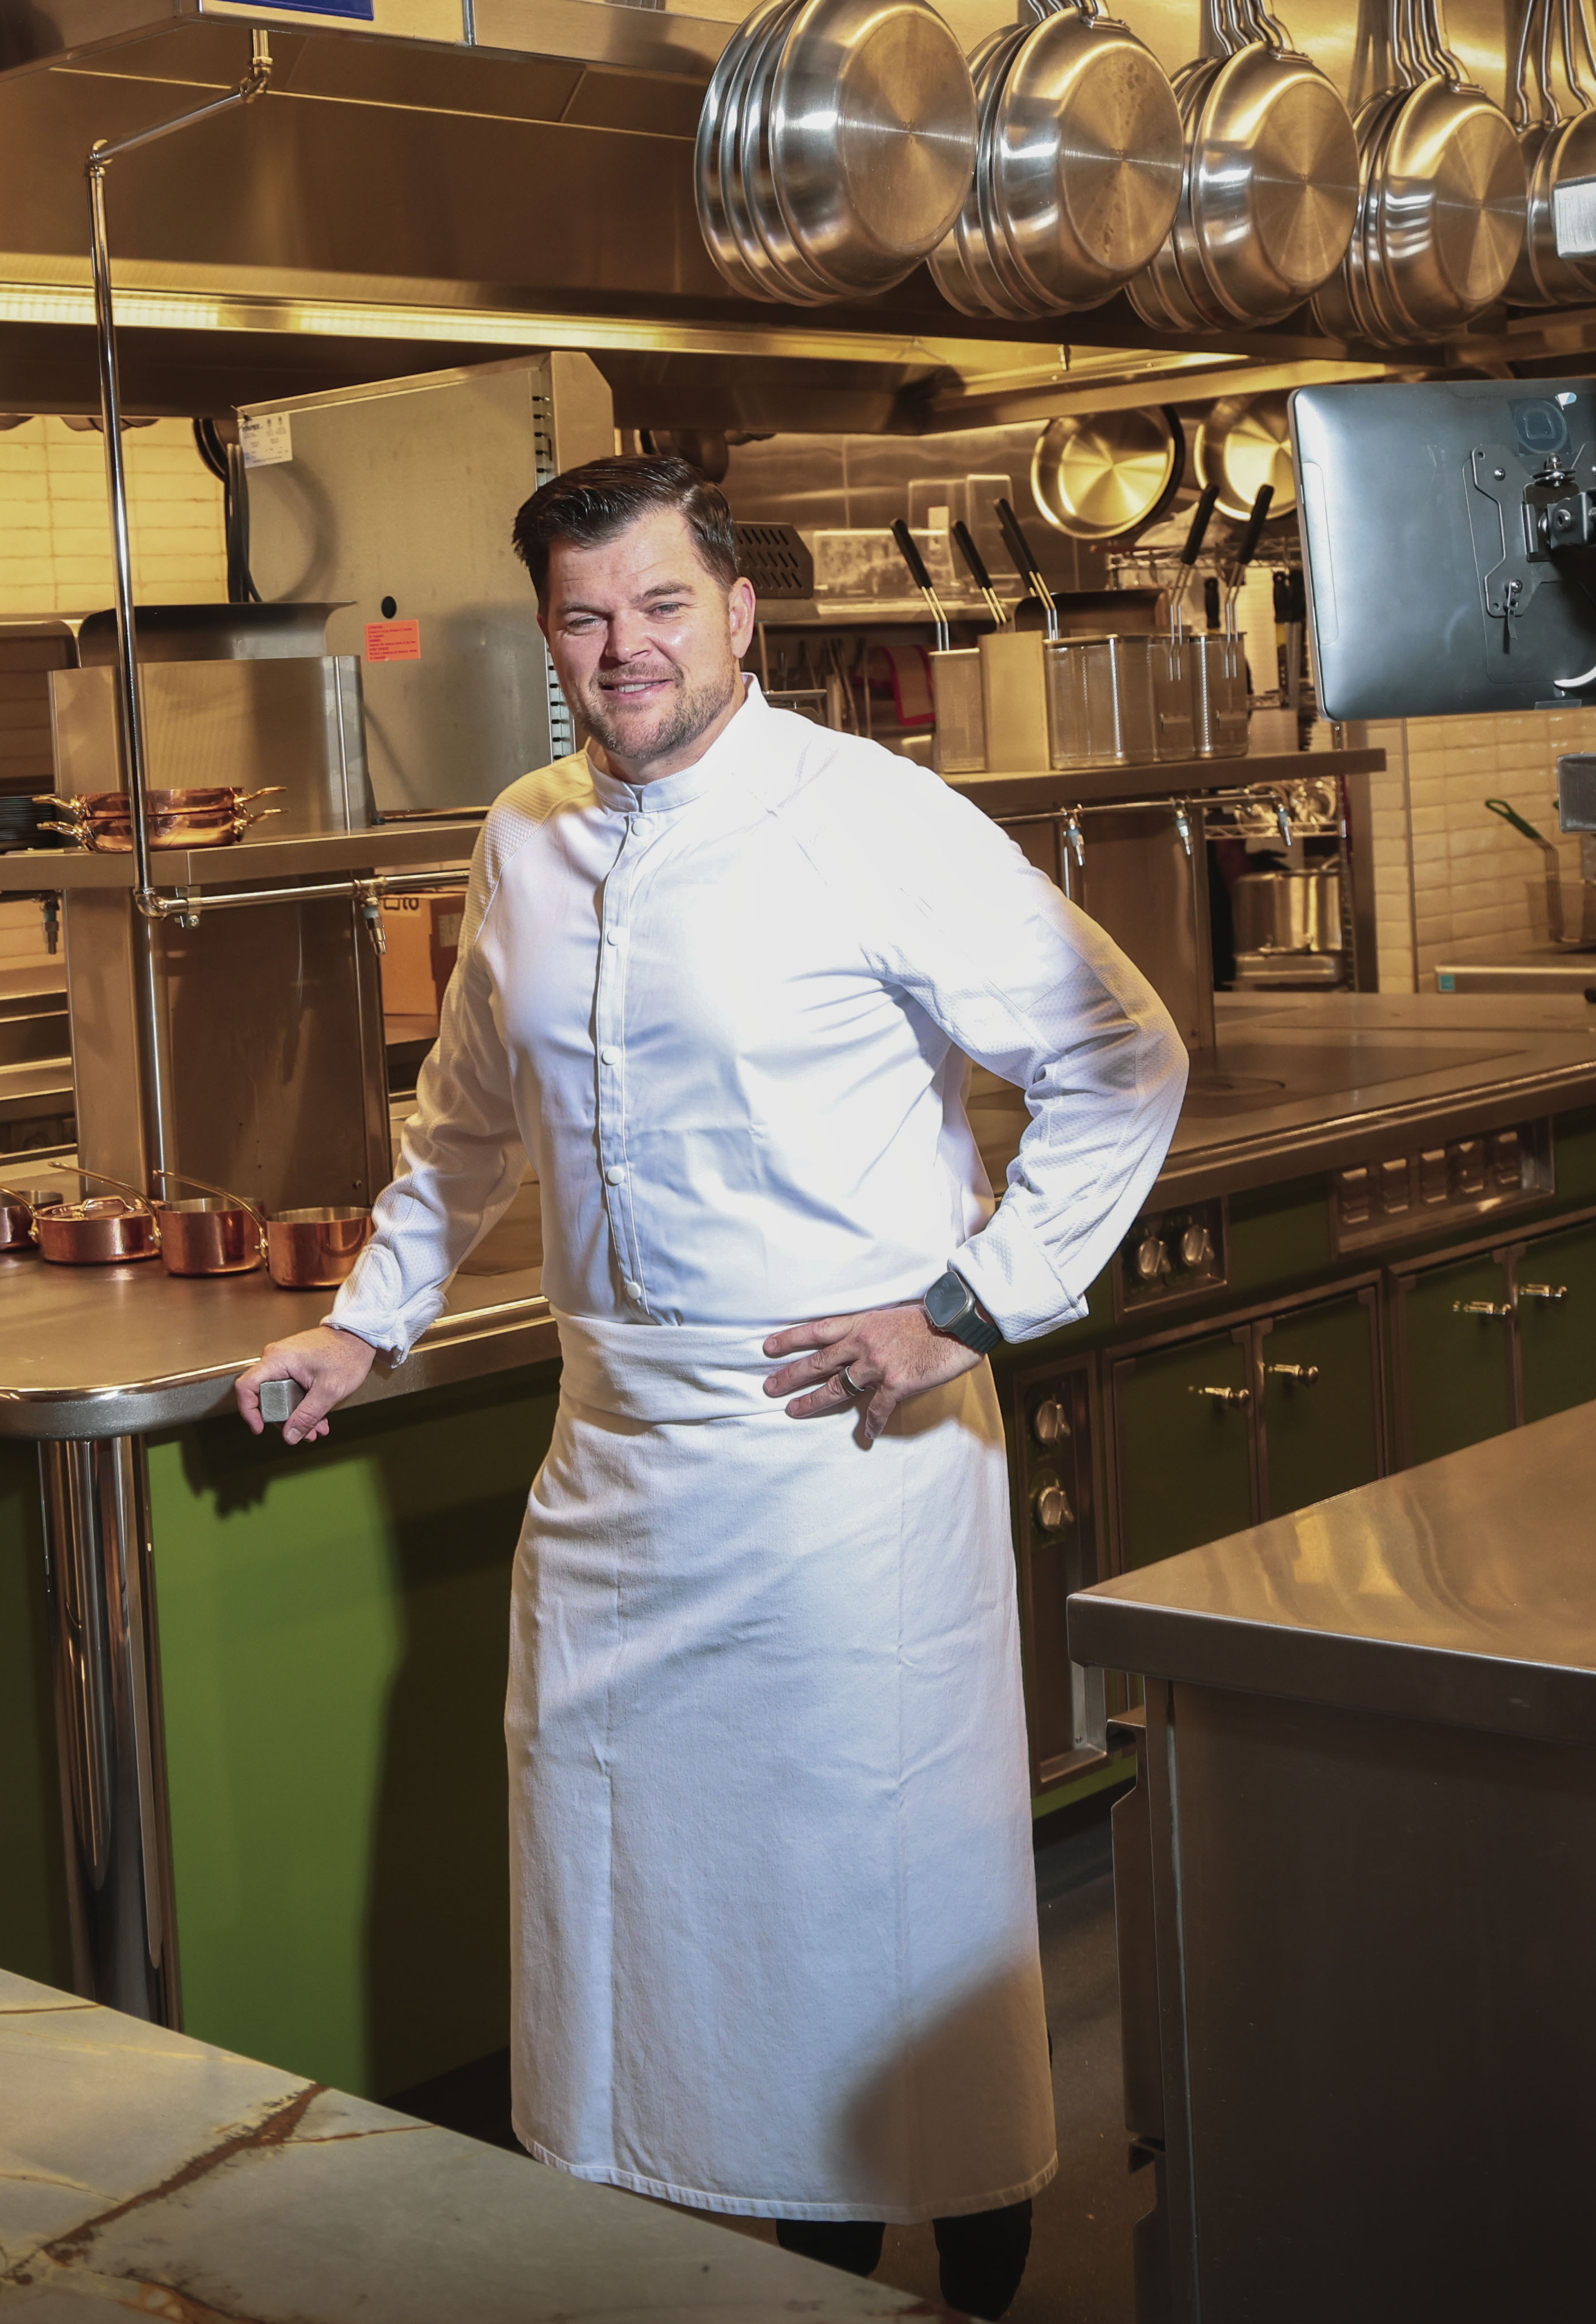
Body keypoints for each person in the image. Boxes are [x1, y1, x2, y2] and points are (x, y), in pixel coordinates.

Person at [236, 452, 1187, 2321]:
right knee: (648, 1934)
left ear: (740, 613)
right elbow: (465, 1134)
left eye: (662, 606)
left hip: (846, 1466)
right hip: (616, 1477)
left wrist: (967, 1307)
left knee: (872, 1925)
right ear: (549, 641)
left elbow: (1121, 1057)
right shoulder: (519, 836)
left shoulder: (870, 816)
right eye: (586, 618)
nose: (626, 649)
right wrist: (364, 1323)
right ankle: (745, 2277)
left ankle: (965, 2280)